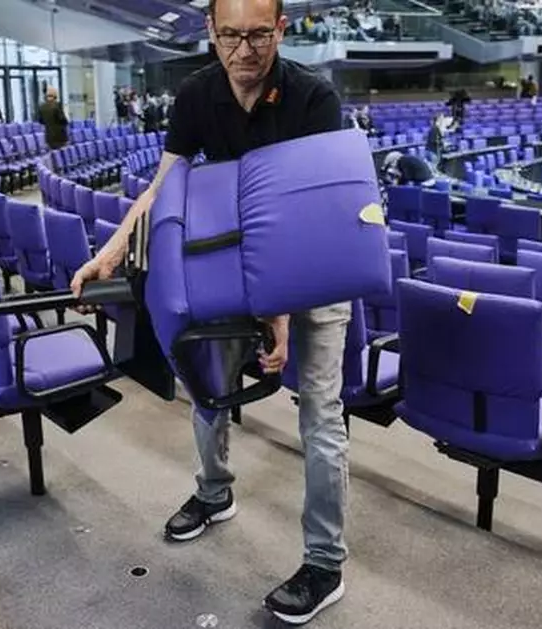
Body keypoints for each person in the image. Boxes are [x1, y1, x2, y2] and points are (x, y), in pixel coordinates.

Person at [69, 0, 353, 624]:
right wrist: (110, 253)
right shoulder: (197, 94)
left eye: (258, 36)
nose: (244, 52)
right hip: (233, 263)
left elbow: (312, 215)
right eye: (230, 36)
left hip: (314, 263)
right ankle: (214, 493)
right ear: (211, 31)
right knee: (207, 385)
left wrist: (279, 309)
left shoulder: (315, 99)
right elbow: (162, 188)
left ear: (282, 30)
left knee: (320, 414)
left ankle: (324, 563)